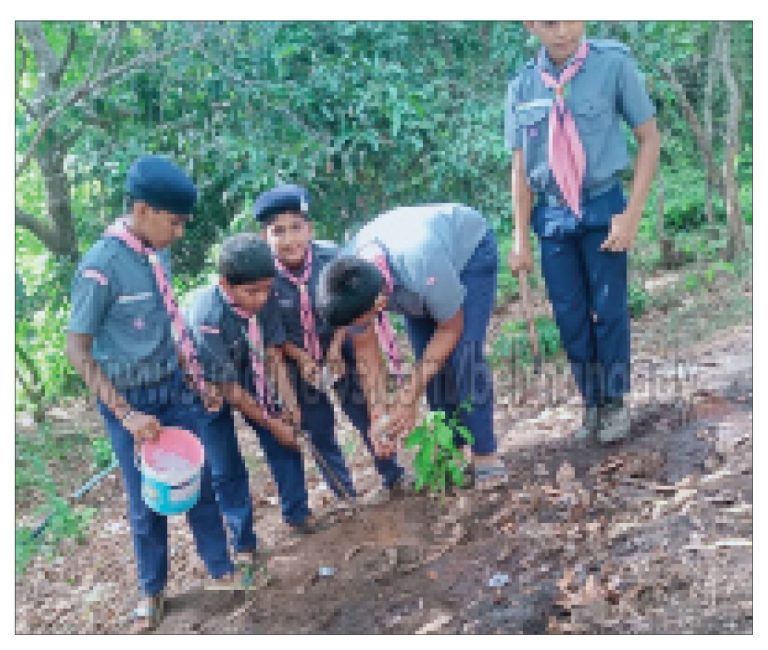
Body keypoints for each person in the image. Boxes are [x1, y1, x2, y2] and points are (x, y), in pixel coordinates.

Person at [66, 155, 242, 632]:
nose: (180, 232)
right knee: (148, 498)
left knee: (198, 481)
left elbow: (169, 321)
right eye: (175, 222)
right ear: (142, 210)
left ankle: (222, 571)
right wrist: (125, 415)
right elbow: (77, 349)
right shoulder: (101, 267)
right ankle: (153, 589)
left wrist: (196, 379)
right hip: (130, 400)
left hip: (174, 388)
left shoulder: (154, 252)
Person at [504, 21, 661, 443]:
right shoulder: (521, 86)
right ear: (530, 23)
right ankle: (591, 402)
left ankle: (614, 402)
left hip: (603, 206)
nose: (564, 30)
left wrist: (632, 215)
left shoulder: (613, 64)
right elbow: (520, 168)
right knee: (570, 317)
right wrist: (520, 238)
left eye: (572, 16)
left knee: (609, 311)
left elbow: (649, 138)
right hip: (553, 218)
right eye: (550, 21)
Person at [317, 203, 507, 490]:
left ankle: (484, 452)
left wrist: (407, 398)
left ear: (380, 303)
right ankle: (451, 451)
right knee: (428, 362)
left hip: (466, 253)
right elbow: (366, 351)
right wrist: (377, 415)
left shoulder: (421, 261)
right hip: (410, 276)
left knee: (463, 355)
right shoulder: (347, 282)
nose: (360, 325)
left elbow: (450, 328)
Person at [254, 184, 409, 505]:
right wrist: (301, 359)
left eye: (296, 228)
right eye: (278, 231)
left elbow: (351, 308)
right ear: (264, 237)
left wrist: (337, 347)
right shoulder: (263, 277)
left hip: (341, 345)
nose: (289, 239)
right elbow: (272, 331)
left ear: (310, 229)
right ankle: (343, 494)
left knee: (363, 409)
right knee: (318, 426)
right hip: (297, 359)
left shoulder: (333, 258)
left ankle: (392, 473)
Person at [185, 233, 328, 535]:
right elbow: (228, 388)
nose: (261, 298)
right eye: (252, 292)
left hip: (251, 365)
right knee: (225, 464)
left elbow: (274, 355)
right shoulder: (207, 316)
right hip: (205, 383)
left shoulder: (266, 296)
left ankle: (297, 513)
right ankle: (243, 538)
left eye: (267, 289)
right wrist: (272, 422)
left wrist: (290, 406)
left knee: (285, 439)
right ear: (225, 284)